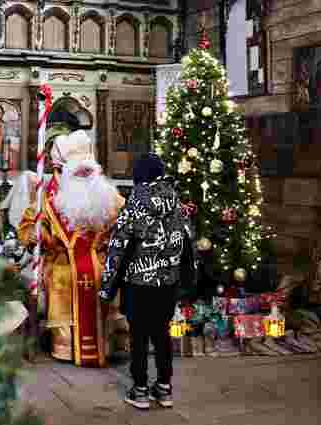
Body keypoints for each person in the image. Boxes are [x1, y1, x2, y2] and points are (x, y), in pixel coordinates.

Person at [17, 112, 126, 367]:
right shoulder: (48, 201)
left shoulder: (111, 197)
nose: (86, 176)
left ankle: (106, 345)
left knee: (104, 285)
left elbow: (126, 228)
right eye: (80, 173)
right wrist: (41, 237)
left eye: (89, 171)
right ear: (63, 172)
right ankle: (67, 347)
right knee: (62, 282)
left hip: (101, 267)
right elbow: (26, 229)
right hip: (63, 267)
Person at [99, 154, 197, 408]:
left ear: (139, 177)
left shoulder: (134, 206)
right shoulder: (177, 206)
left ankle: (140, 389)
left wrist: (108, 287)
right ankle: (164, 387)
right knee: (162, 332)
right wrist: (186, 280)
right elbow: (188, 246)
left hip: (138, 283)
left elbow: (118, 248)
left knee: (139, 336)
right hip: (167, 283)